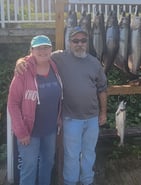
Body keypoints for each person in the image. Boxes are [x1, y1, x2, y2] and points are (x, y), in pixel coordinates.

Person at [16, 26, 107, 185]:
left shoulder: (94, 62)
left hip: (92, 118)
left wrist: (103, 113)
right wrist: (20, 61)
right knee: (71, 154)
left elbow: (102, 89)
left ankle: (87, 180)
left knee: (89, 153)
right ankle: (70, 182)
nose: (79, 44)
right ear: (69, 42)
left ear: (87, 42)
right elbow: (38, 55)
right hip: (71, 118)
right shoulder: (59, 57)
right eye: (75, 41)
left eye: (83, 40)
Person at [8, 35, 63, 185]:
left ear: (51, 49)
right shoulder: (23, 71)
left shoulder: (54, 65)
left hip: (50, 130)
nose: (43, 50)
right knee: (29, 168)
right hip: (29, 132)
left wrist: (58, 118)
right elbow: (12, 104)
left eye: (46, 47)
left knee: (47, 164)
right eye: (38, 48)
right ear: (31, 50)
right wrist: (21, 132)